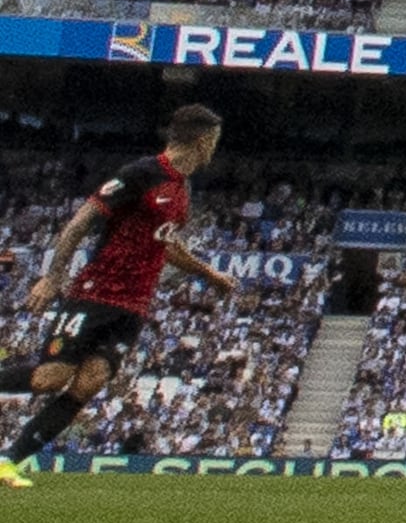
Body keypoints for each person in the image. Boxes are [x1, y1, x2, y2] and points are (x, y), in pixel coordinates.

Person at [5, 104, 240, 481]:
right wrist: (53, 277)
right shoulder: (141, 173)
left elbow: (166, 244)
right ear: (203, 140)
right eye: (215, 140)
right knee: (48, 378)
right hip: (96, 293)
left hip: (133, 305)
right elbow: (80, 222)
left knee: (89, 383)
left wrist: (210, 275)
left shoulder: (182, 188)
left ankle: (9, 461)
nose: (215, 148)